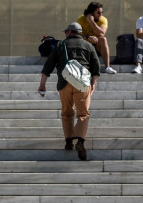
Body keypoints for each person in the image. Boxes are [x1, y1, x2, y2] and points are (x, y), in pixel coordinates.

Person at [38, 22, 101, 161]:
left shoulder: (60, 45)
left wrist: (42, 84)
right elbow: (96, 68)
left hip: (64, 83)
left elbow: (48, 66)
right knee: (83, 113)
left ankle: (68, 141)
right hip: (82, 85)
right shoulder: (89, 46)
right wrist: (93, 84)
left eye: (66, 31)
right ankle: (80, 141)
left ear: (70, 32)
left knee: (67, 112)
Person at [76, 2, 117, 74]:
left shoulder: (103, 19)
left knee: (103, 39)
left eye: (102, 12)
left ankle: (107, 67)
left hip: (97, 46)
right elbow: (75, 36)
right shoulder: (81, 20)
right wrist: (88, 37)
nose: (100, 15)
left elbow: (102, 33)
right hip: (85, 47)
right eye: (98, 13)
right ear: (91, 13)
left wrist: (91, 22)